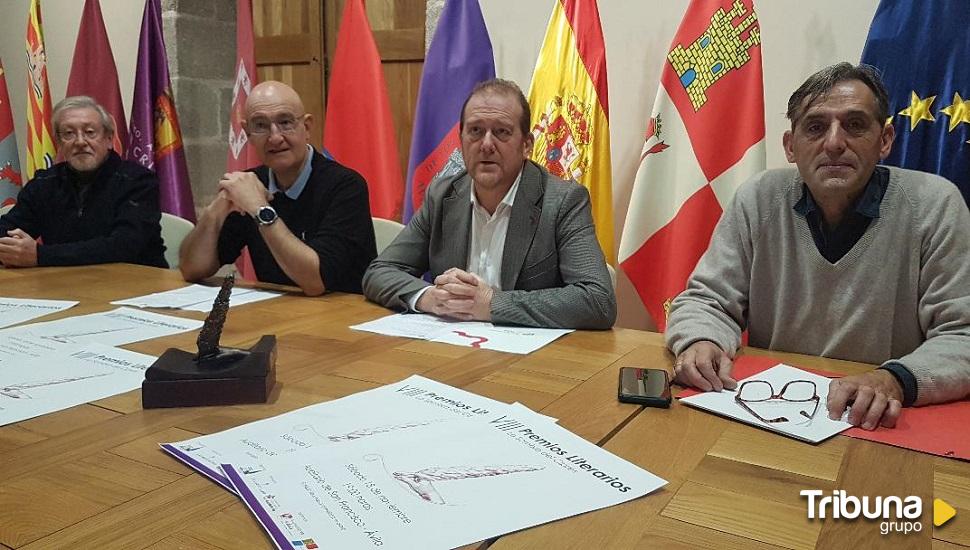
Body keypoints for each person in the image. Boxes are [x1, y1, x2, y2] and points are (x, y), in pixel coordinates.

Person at [665, 63, 970, 430]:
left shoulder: (935, 205)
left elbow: (962, 336)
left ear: (885, 140)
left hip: (878, 420)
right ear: (791, 147)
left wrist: (894, 380)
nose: (834, 142)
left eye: (855, 125)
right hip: (774, 412)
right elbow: (705, 300)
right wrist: (701, 340)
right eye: (815, 127)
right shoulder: (759, 198)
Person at [362, 79, 615, 329]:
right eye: (475, 131)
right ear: (460, 141)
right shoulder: (442, 195)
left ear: (526, 145)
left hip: (532, 360)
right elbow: (379, 272)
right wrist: (430, 298)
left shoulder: (562, 201)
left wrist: (492, 303)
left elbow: (598, 300)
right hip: (451, 349)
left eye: (502, 132)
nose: (486, 145)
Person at [179, 81, 376, 296]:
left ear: (307, 127)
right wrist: (216, 210)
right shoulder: (251, 184)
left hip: (341, 316)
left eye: (285, 122)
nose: (274, 137)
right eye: (261, 126)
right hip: (277, 312)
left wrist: (260, 209)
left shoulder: (345, 186)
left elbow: (315, 282)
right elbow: (193, 269)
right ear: (247, 134)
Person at [0, 96, 166, 268]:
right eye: (68, 134)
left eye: (90, 132)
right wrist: (11, 250)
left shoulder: (138, 181)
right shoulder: (44, 183)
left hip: (138, 285)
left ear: (109, 139)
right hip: (64, 284)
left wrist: (40, 256)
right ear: (59, 143)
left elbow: (123, 247)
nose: (80, 142)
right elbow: (7, 230)